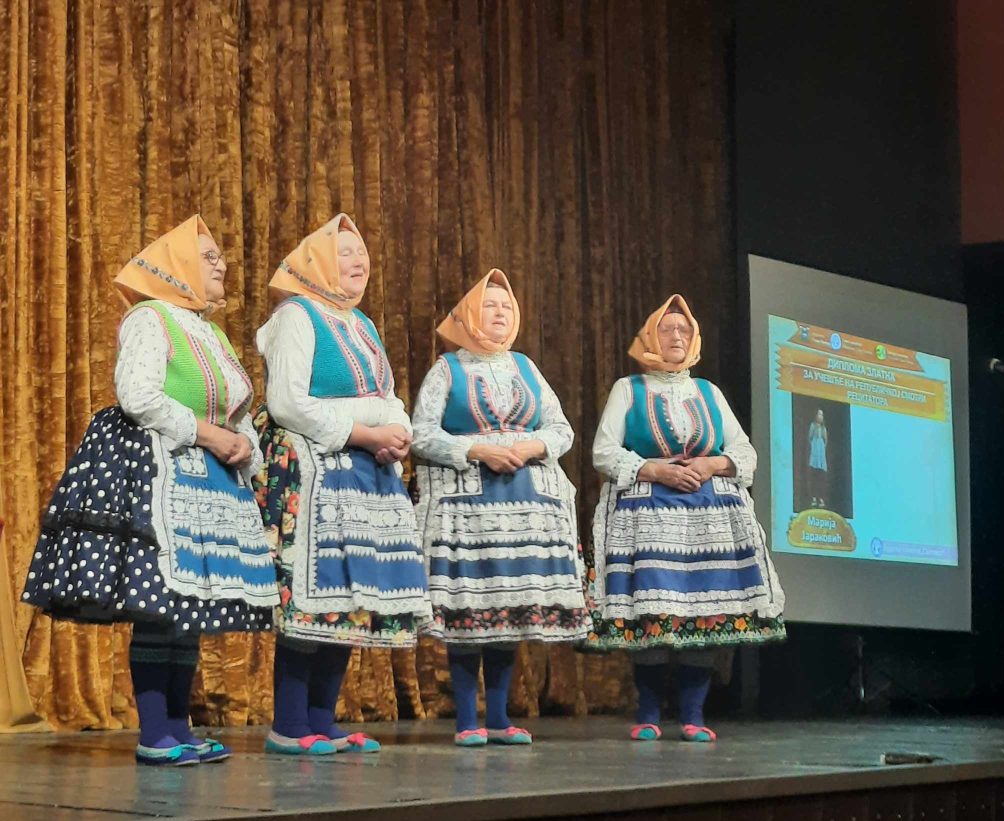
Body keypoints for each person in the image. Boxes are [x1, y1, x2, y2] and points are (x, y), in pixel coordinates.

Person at [22, 216, 277, 765]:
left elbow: (236, 408)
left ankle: (178, 729)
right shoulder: (151, 317)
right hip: (161, 472)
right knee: (160, 605)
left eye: (221, 256)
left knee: (188, 610)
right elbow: (137, 395)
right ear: (180, 265)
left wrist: (244, 445)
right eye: (209, 257)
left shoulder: (211, 333)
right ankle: (155, 733)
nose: (222, 264)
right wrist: (210, 435)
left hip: (213, 478)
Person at [254, 214, 432, 756]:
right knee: (313, 591)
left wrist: (397, 433)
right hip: (314, 470)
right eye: (345, 252)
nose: (360, 262)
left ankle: (321, 718)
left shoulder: (362, 325)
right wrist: (365, 431)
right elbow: (287, 402)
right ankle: (289, 723)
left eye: (362, 252)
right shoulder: (296, 316)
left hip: (365, 473)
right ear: (318, 262)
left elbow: (389, 395)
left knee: (350, 596)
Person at [588, 295, 785, 742]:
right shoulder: (629, 389)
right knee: (654, 613)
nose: (676, 336)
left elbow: (744, 452)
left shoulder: (708, 393)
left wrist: (712, 464)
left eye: (684, 330)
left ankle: (694, 715)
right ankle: (648, 713)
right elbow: (604, 451)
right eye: (667, 329)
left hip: (709, 519)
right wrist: (656, 470)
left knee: (705, 614)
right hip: (649, 516)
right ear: (649, 337)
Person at [412, 269, 591, 747]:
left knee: (507, 610)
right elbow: (421, 433)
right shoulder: (447, 369)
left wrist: (530, 447)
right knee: (470, 609)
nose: (499, 313)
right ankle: (466, 718)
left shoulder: (526, 367)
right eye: (490, 305)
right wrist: (477, 450)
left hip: (525, 504)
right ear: (470, 314)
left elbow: (562, 429)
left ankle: (498, 717)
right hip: (468, 506)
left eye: (507, 307)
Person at [807, 409, 829, 508]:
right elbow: (810, 437)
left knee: (821, 477)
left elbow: (825, 441)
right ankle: (814, 498)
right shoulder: (813, 426)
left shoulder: (823, 428)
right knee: (814, 476)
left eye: (822, 415)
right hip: (814, 453)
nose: (820, 417)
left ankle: (821, 498)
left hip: (821, 454)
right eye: (819, 414)